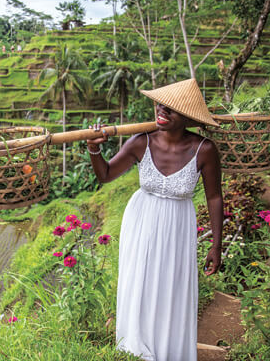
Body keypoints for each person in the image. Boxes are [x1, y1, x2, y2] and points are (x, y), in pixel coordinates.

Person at [87, 79, 223, 360]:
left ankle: (168, 349)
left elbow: (214, 197)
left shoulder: (205, 150)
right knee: (141, 283)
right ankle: (138, 346)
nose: (161, 110)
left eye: (171, 108)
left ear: (187, 118)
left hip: (178, 226)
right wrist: (94, 149)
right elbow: (106, 175)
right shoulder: (141, 142)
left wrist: (216, 245)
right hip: (141, 223)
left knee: (171, 288)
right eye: (161, 104)